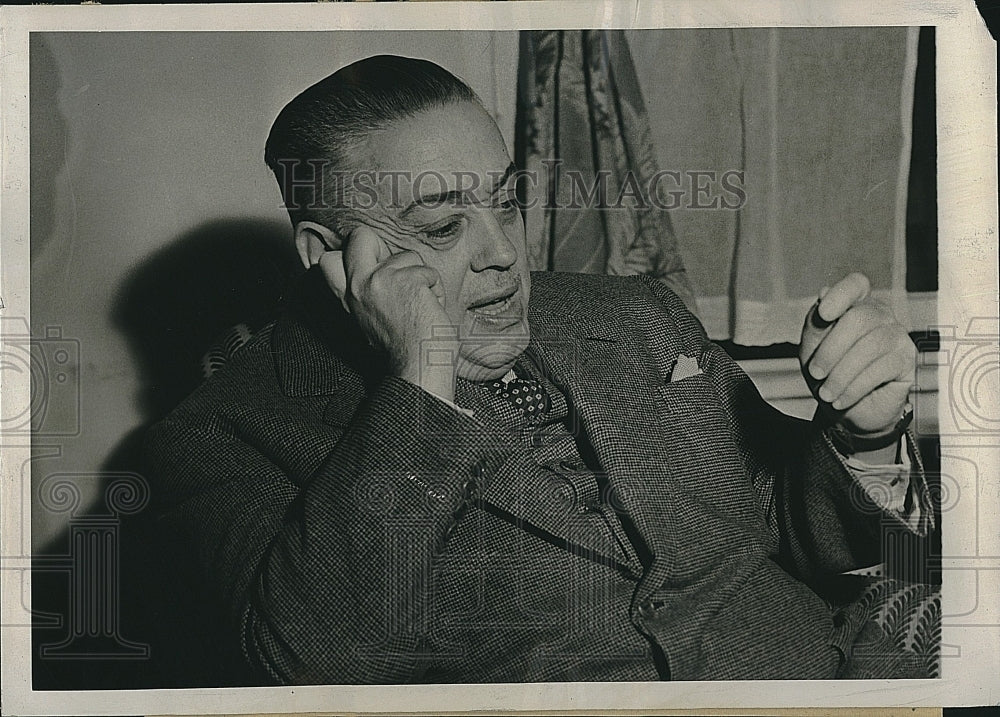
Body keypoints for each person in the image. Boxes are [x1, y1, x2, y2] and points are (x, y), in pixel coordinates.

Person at [144, 55, 934, 685]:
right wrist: (420, 377)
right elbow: (313, 664)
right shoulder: (219, 433)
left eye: (506, 201)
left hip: (846, 673)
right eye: (444, 223)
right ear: (330, 258)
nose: (502, 253)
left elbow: (779, 513)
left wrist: (862, 437)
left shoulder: (631, 314)